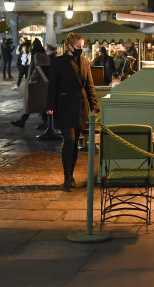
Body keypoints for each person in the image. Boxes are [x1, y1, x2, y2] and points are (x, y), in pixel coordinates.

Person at [46, 32, 99, 189]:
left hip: (80, 106)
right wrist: (50, 106)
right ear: (69, 46)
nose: (80, 49)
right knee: (69, 139)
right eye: (78, 47)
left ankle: (71, 173)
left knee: (75, 141)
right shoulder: (59, 62)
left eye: (82, 47)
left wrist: (94, 104)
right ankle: (67, 176)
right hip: (64, 105)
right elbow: (52, 86)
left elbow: (89, 85)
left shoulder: (84, 62)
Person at [12, 38, 50, 129]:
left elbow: (38, 68)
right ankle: (25, 121)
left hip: (36, 84)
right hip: (43, 84)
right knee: (40, 104)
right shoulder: (44, 54)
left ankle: (24, 121)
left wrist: (32, 78)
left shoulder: (36, 55)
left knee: (32, 103)